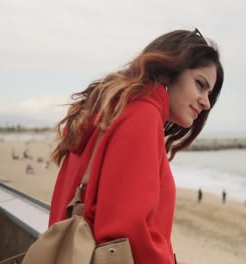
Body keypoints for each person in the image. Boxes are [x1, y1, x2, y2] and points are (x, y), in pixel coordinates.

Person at [49, 28, 224, 264]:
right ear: (170, 71)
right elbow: (126, 232)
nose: (205, 103)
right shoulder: (143, 115)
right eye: (200, 84)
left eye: (209, 93)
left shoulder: (111, 109)